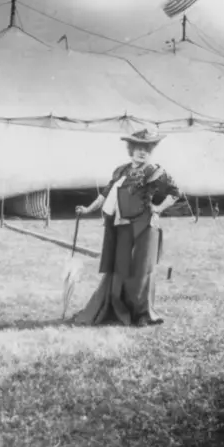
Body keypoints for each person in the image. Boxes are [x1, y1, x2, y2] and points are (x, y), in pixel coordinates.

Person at [72, 128, 180, 327]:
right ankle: (117, 307)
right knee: (120, 267)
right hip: (121, 225)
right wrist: (88, 209)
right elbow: (105, 194)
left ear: (151, 151)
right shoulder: (121, 170)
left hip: (145, 226)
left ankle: (140, 314)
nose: (142, 152)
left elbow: (175, 193)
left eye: (146, 149)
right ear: (131, 149)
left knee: (141, 270)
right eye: (138, 148)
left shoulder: (155, 172)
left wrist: (157, 208)